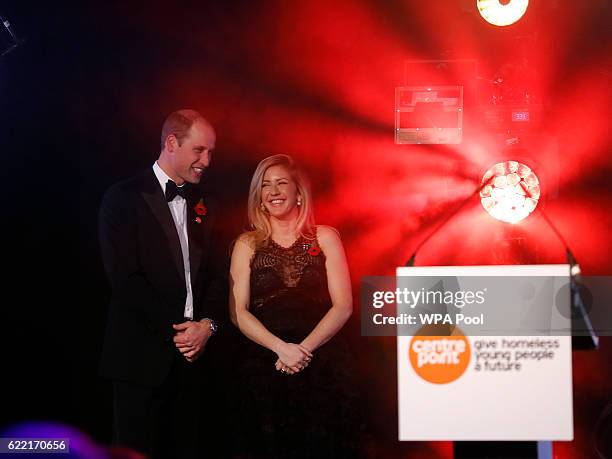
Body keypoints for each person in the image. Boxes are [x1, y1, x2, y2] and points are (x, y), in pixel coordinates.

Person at [98, 109, 227, 459]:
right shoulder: (122, 198)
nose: (206, 161)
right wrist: (180, 331)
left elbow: (217, 276)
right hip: (140, 359)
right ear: (171, 143)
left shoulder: (208, 204)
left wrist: (207, 327)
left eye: (211, 152)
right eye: (199, 150)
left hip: (194, 359)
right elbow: (125, 281)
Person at [229, 154, 359, 458]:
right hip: (264, 362)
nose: (273, 191)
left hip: (320, 361)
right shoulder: (247, 244)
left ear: (299, 192)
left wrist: (301, 351)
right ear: (259, 197)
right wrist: (281, 349)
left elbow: (343, 306)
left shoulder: (325, 237)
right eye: (266, 185)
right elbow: (238, 311)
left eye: (281, 183)